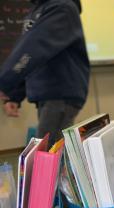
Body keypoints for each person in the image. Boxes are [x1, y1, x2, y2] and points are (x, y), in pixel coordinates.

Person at [0, 0, 89, 148]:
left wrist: (5, 82)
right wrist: (14, 95)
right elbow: (31, 57)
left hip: (60, 93)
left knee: (47, 153)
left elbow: (35, 46)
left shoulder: (62, 7)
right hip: (48, 94)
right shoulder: (37, 9)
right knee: (52, 152)